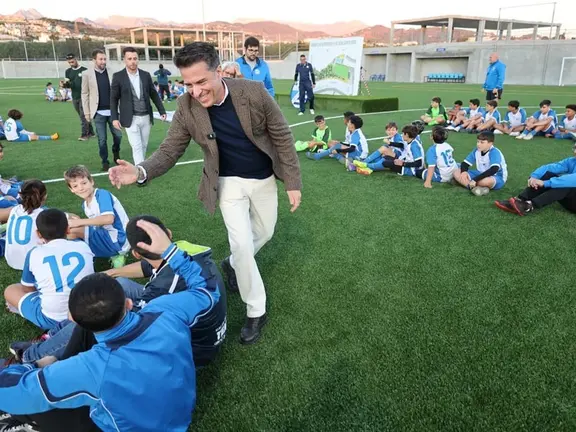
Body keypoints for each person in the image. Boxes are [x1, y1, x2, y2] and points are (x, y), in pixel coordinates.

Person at [108, 42, 301, 345]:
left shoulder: (253, 92)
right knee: (241, 243)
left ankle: (232, 264)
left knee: (264, 233)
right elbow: (170, 149)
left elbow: (281, 134)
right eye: (188, 84)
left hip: (263, 178)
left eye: (201, 82)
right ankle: (256, 310)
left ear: (218, 71)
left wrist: (292, 181)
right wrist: (141, 171)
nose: (196, 91)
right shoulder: (186, 107)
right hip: (226, 183)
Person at [0, 219, 221, 432]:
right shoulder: (167, 310)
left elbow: (18, 393)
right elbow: (207, 288)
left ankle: (30, 394)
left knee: (39, 403)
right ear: (129, 303)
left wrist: (29, 368)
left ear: (74, 320)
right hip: (180, 415)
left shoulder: (92, 367)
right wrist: (170, 252)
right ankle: (42, 358)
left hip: (129, 426)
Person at [11, 214, 227, 368]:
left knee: (95, 314)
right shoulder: (182, 250)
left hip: (191, 351)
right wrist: (110, 273)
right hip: (198, 323)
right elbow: (149, 266)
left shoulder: (163, 287)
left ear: (135, 253)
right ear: (168, 234)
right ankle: (52, 337)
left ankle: (32, 356)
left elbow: (135, 318)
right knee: (120, 285)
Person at [4, 208, 95, 333]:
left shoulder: (34, 253)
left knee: (11, 290)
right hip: (88, 310)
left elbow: (27, 289)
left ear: (38, 234)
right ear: (68, 229)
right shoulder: (83, 246)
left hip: (53, 318)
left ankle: (30, 312)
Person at [64, 165, 130, 268]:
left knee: (72, 230)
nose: (81, 188)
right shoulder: (85, 205)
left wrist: (79, 222)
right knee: (73, 225)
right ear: (71, 189)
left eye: (84, 183)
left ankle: (115, 255)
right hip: (107, 235)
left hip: (120, 239)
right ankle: (86, 255)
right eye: (75, 186)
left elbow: (108, 219)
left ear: (91, 181)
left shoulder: (101, 195)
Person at [111, 47, 167, 166]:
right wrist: (114, 118)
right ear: (124, 60)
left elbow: (153, 94)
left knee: (143, 145)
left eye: (135, 58)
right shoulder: (118, 76)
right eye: (130, 59)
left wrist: (161, 110)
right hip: (130, 118)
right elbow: (113, 99)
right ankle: (140, 172)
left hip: (146, 116)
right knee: (136, 146)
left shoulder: (145, 75)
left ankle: (140, 168)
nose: (133, 61)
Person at [495, 144, 576, 216]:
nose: (575, 152)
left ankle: (529, 206)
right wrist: (534, 177)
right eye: (575, 148)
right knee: (549, 175)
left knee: (565, 185)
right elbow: (550, 167)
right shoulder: (572, 161)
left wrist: (544, 183)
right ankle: (519, 200)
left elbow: (572, 179)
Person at [82, 49, 122, 172]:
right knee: (102, 139)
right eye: (100, 59)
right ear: (94, 60)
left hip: (113, 112)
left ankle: (116, 153)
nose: (103, 61)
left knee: (118, 136)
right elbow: (85, 94)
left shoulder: (112, 72)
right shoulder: (86, 74)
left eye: (105, 59)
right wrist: (87, 112)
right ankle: (105, 161)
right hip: (98, 113)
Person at [0, 180, 46, 271]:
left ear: (20, 196)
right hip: (34, 262)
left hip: (12, 261)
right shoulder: (45, 214)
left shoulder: (14, 210)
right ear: (45, 196)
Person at [355, 123, 424, 177]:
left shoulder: (414, 146)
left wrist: (403, 163)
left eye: (403, 134)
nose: (402, 135)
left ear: (407, 135)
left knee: (386, 163)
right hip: (404, 162)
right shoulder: (409, 141)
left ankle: (366, 165)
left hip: (410, 170)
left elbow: (419, 163)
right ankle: (369, 168)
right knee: (386, 157)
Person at [453, 132, 508, 196]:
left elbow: (494, 169)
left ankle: (464, 182)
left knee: (485, 182)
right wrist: (464, 172)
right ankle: (474, 188)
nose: (478, 144)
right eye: (478, 141)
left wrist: (475, 179)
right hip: (480, 173)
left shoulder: (494, 152)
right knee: (456, 172)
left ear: (490, 143)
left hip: (497, 176)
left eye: (482, 142)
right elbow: (465, 163)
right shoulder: (476, 150)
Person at [65, 53, 95, 141]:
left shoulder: (84, 70)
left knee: (83, 116)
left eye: (72, 61)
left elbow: (90, 84)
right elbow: (69, 84)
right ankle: (91, 132)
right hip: (75, 97)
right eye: (69, 62)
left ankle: (84, 135)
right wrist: (65, 85)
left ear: (76, 59)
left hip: (84, 97)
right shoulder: (68, 71)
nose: (71, 63)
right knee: (82, 116)